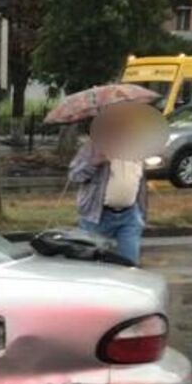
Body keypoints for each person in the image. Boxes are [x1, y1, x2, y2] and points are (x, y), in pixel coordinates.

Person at [68, 105, 150, 264]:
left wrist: (142, 214)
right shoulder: (93, 146)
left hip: (129, 216)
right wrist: (95, 162)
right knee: (89, 266)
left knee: (129, 265)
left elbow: (140, 184)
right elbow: (74, 176)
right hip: (97, 216)